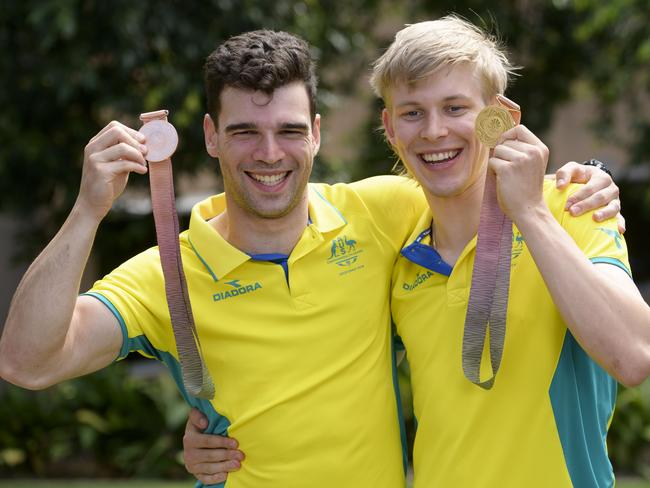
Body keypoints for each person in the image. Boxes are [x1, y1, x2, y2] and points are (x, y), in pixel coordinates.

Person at [0, 28, 622, 488]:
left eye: (291, 131)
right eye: (245, 131)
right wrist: (87, 209)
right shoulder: (168, 272)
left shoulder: (379, 214)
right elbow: (27, 363)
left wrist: (584, 179)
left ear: (317, 133)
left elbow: (466, 168)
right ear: (212, 136)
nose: (270, 153)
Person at [180, 23, 649, 488]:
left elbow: (635, 357)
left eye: (455, 107)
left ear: (500, 117)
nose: (434, 131)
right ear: (389, 127)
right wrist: (213, 430)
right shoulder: (398, 253)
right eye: (411, 113)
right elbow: (314, 370)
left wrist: (529, 210)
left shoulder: (573, 208)